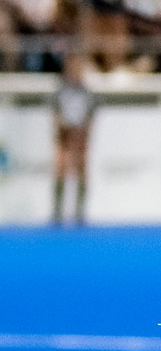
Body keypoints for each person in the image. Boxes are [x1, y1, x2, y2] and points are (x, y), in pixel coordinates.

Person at [51, 49, 92, 224]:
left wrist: (84, 131)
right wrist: (61, 128)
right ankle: (58, 211)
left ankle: (79, 211)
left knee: (82, 168)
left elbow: (91, 114)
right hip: (64, 134)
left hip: (80, 134)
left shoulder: (87, 92)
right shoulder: (60, 90)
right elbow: (55, 113)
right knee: (61, 167)